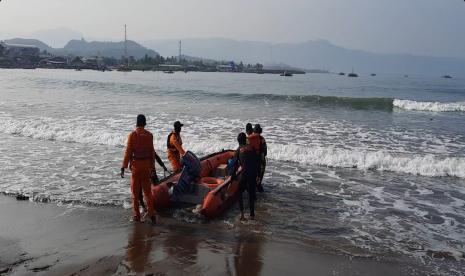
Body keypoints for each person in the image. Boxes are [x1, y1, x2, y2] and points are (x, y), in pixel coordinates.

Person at [121, 114, 158, 224]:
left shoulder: (133, 135)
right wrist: (153, 168)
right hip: (146, 167)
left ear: (137, 123)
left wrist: (123, 166)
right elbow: (152, 153)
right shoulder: (149, 135)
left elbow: (128, 151)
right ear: (144, 123)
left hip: (136, 168)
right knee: (147, 193)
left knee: (135, 194)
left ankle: (137, 215)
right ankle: (152, 215)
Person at [232, 132, 259, 220]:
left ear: (238, 141)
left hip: (245, 174)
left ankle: (242, 215)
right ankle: (252, 215)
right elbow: (257, 162)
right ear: (246, 140)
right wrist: (258, 175)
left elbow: (234, 165)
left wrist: (233, 176)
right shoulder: (252, 148)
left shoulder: (239, 149)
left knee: (239, 192)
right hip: (253, 173)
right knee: (251, 194)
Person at [247, 124, 267, 192]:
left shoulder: (248, 138)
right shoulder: (262, 139)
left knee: (252, 177)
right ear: (260, 131)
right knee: (259, 177)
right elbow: (265, 152)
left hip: (251, 161)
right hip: (260, 161)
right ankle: (259, 186)